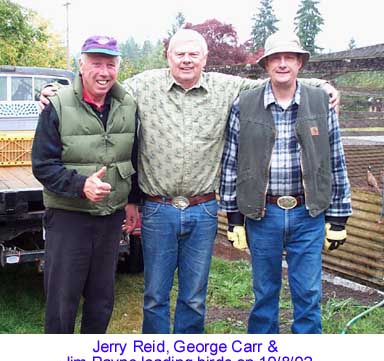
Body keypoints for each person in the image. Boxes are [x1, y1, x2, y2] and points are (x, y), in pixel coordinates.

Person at [40, 29, 339, 334]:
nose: (186, 60)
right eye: (179, 53)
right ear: (167, 57)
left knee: (194, 297)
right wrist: (54, 89)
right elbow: (99, 85)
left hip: (204, 209)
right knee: (155, 296)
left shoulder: (226, 88)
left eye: (193, 54)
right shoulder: (143, 86)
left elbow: (274, 82)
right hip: (158, 209)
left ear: (205, 59)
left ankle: (188, 356)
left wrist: (321, 86)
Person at [220, 31, 352, 334]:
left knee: (307, 295)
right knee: (264, 293)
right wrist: (233, 219)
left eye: (289, 57)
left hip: (308, 214)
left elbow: (335, 159)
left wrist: (339, 217)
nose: (282, 64)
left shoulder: (321, 102)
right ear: (266, 64)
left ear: (299, 63)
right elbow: (231, 161)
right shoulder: (245, 103)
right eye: (275, 58)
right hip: (263, 215)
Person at [32, 35, 138, 334]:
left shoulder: (128, 103)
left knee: (102, 299)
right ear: (81, 65)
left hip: (110, 217)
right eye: (95, 63)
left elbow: (134, 155)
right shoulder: (58, 104)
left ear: (118, 67)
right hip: (68, 217)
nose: (103, 72)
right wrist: (81, 186)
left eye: (110, 64)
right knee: (62, 302)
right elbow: (43, 165)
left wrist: (132, 201)